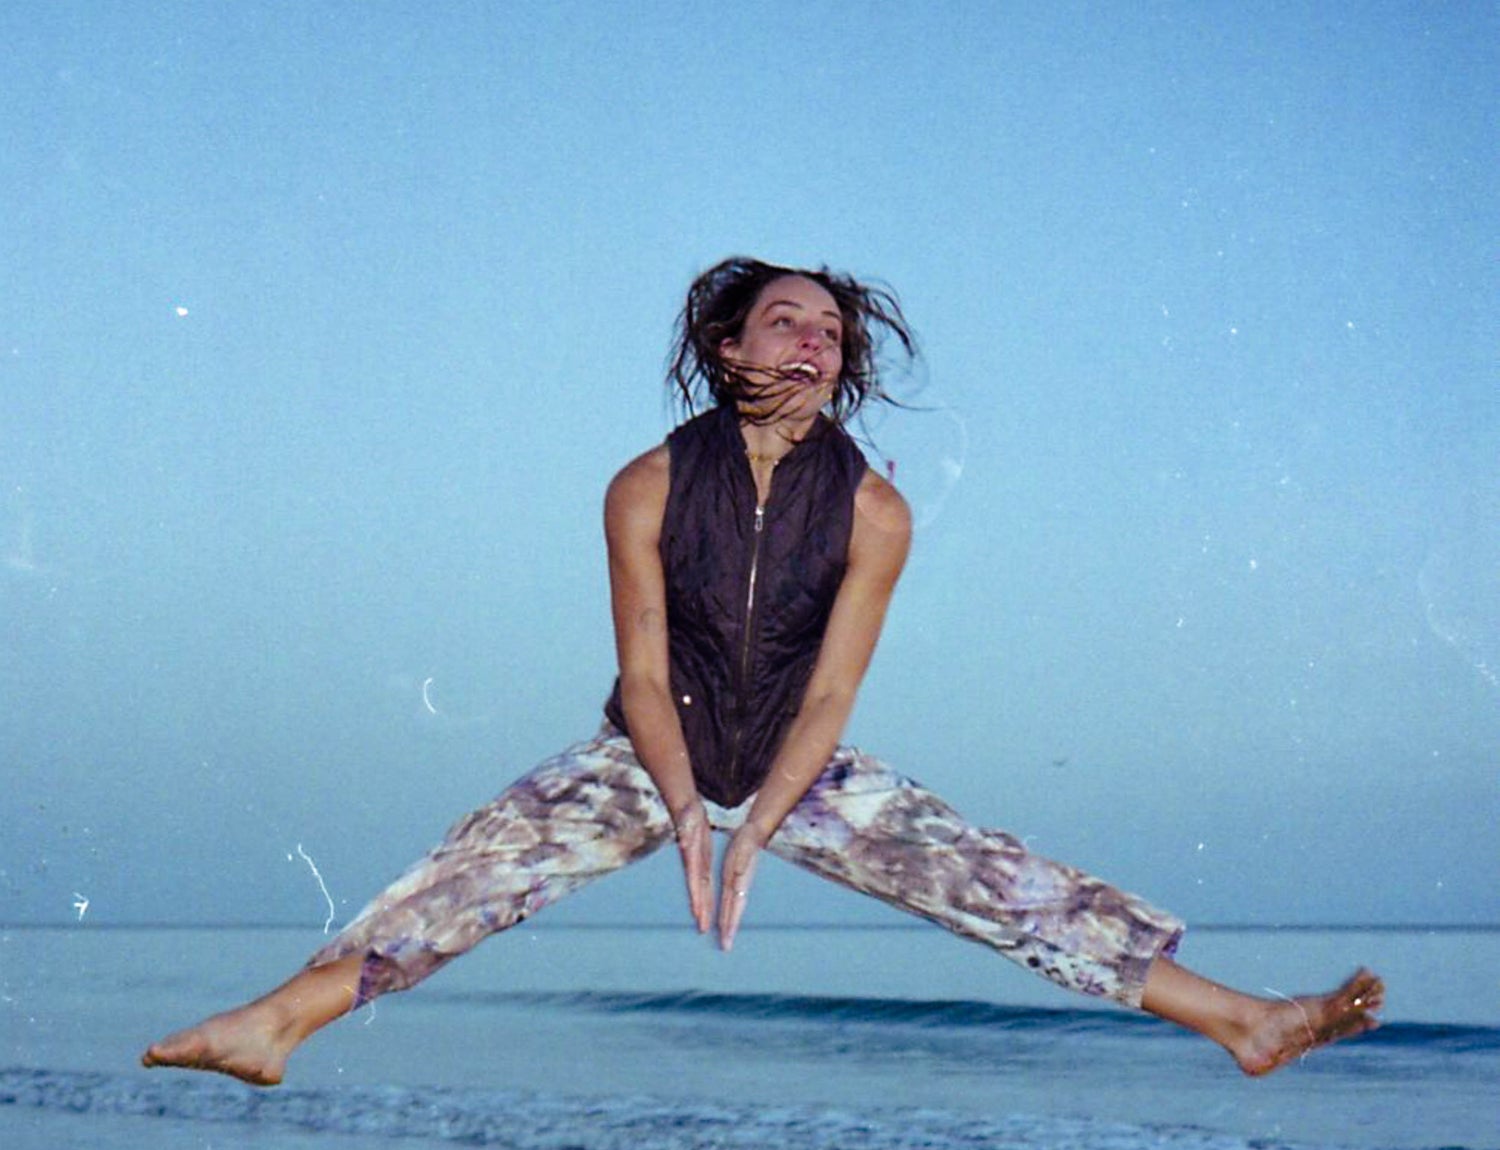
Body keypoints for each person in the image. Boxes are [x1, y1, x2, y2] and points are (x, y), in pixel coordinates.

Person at [143, 257, 1382, 1088]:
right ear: (727, 345)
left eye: (831, 331)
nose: (813, 341)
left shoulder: (878, 512)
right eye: (786, 320)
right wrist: (687, 811)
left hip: (803, 754)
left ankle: (1244, 1019)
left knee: (999, 886)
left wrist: (758, 827)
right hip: (651, 748)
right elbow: (639, 672)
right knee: (486, 864)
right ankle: (277, 1023)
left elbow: (833, 691)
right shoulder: (646, 484)